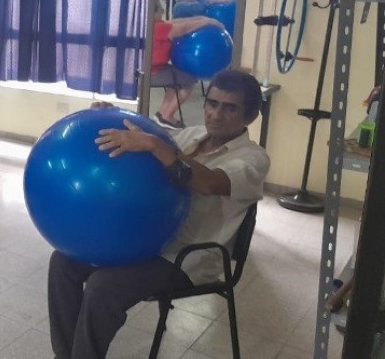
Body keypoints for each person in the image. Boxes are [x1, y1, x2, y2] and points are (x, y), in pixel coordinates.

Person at [47, 69, 270, 359]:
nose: (216, 114)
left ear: (250, 116)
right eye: (212, 104)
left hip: (186, 258)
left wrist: (155, 145)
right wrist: (112, 113)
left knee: (104, 286)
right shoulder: (192, 136)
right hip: (147, 239)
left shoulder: (253, 159)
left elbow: (209, 182)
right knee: (63, 261)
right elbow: (147, 132)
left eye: (230, 108)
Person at [151, 2, 224, 128]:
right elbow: (184, 28)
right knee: (189, 81)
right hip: (152, 73)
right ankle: (167, 116)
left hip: (156, 68)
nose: (163, 11)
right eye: (160, 10)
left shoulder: (152, 25)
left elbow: (177, 21)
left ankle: (162, 114)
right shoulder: (157, 28)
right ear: (152, 14)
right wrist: (209, 23)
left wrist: (203, 19)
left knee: (177, 76)